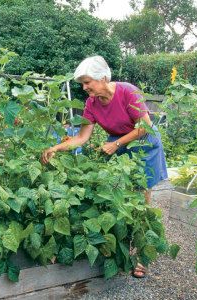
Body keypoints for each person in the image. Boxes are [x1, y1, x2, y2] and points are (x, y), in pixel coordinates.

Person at [41, 55, 168, 278]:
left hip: (144, 144)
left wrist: (116, 143)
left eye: (88, 81)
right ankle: (117, 247)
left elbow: (145, 126)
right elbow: (81, 138)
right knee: (115, 194)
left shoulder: (128, 91)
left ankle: (143, 257)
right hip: (118, 144)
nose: (84, 87)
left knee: (140, 201)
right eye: (82, 83)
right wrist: (56, 148)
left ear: (103, 77)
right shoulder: (91, 103)